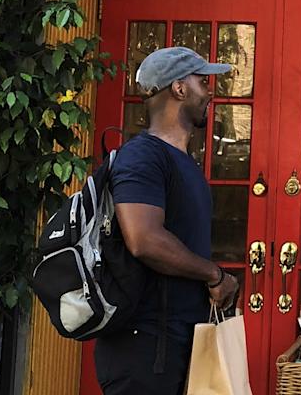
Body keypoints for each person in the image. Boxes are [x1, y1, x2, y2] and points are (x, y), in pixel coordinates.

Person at [94, 47, 241, 395]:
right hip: (144, 352)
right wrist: (213, 274)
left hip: (176, 347)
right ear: (179, 89)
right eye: (202, 82)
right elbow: (143, 239)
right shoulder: (143, 156)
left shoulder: (183, 162)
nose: (209, 93)